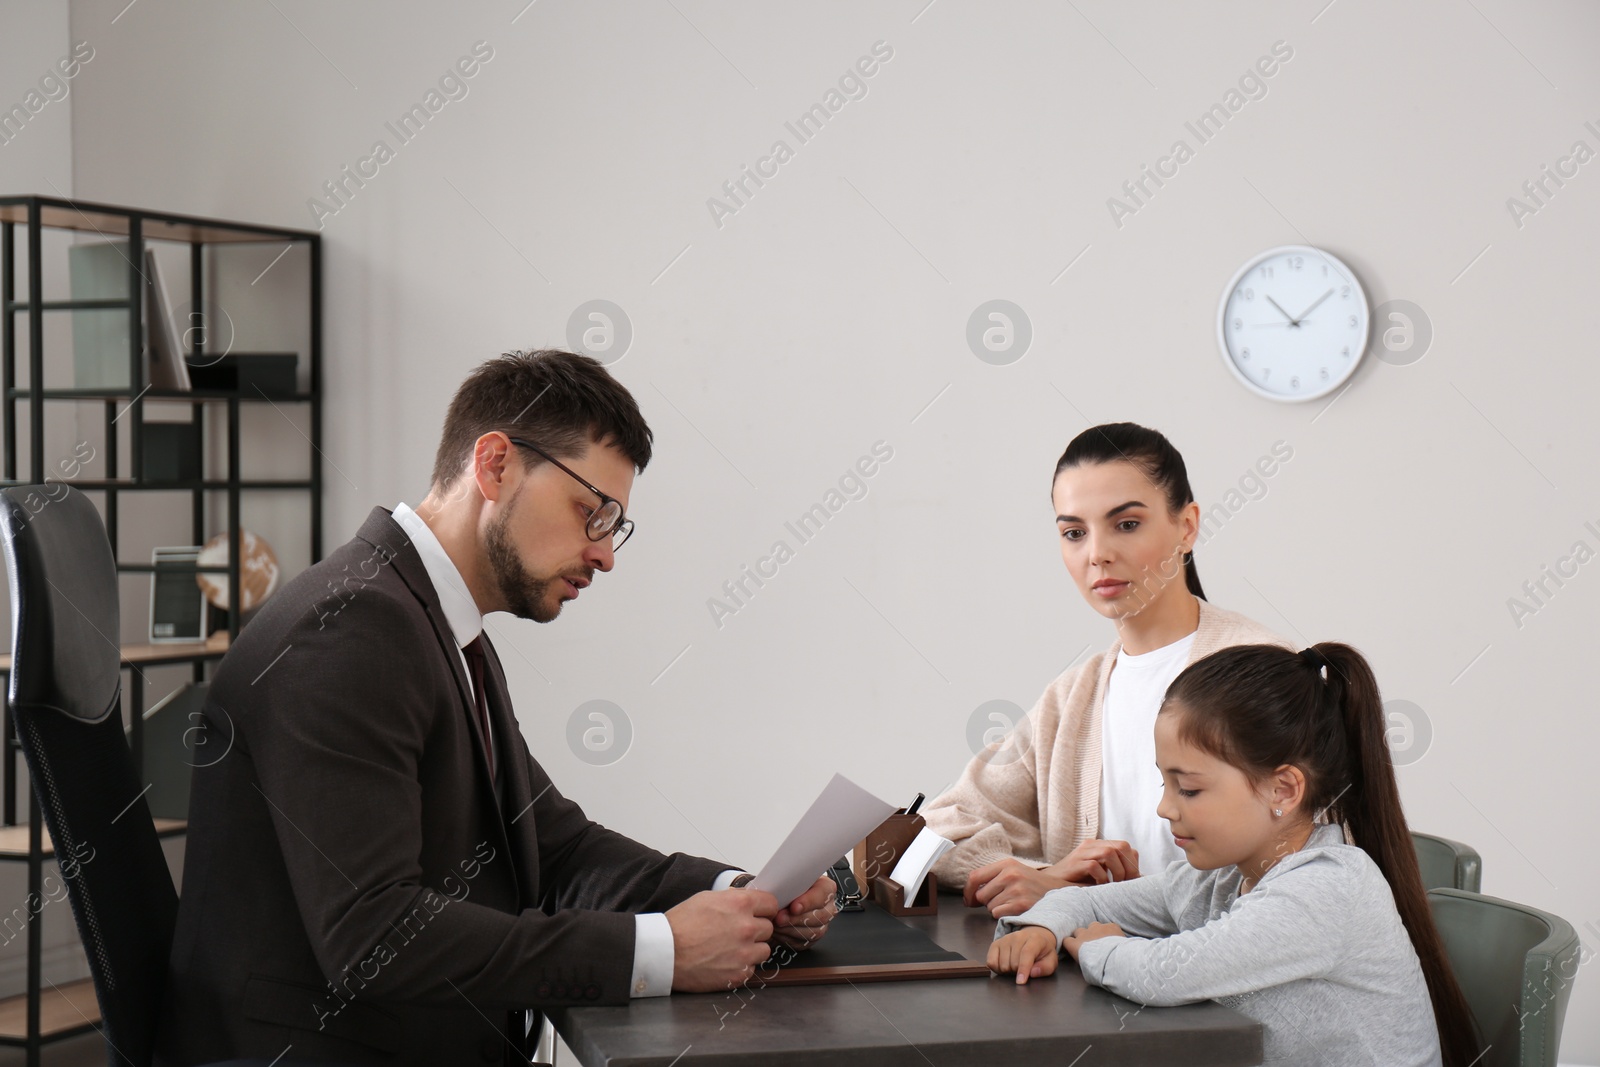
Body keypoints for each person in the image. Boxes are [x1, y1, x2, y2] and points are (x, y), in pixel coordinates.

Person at [155, 350, 837, 1066]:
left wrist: (743, 898)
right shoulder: (351, 628)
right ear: (496, 466)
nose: (604, 555)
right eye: (592, 512)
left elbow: (555, 845)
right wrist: (661, 949)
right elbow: (375, 935)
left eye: (615, 526)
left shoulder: (438, 626)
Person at [987, 642, 1480, 1067]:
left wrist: (1097, 946)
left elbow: (1160, 974)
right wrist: (1040, 927)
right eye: (1165, 783)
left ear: (1282, 790)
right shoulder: (1223, 876)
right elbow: (1093, 903)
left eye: (1189, 789)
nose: (1164, 808)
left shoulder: (1326, 889)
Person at [921, 423, 1291, 917]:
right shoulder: (1073, 698)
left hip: (1225, 983)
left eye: (1127, 524)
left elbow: (1303, 881)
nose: (1097, 554)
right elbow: (941, 825)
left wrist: (1084, 898)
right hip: (1092, 975)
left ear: (1187, 527)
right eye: (1074, 533)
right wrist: (1040, 875)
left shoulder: (1262, 671)